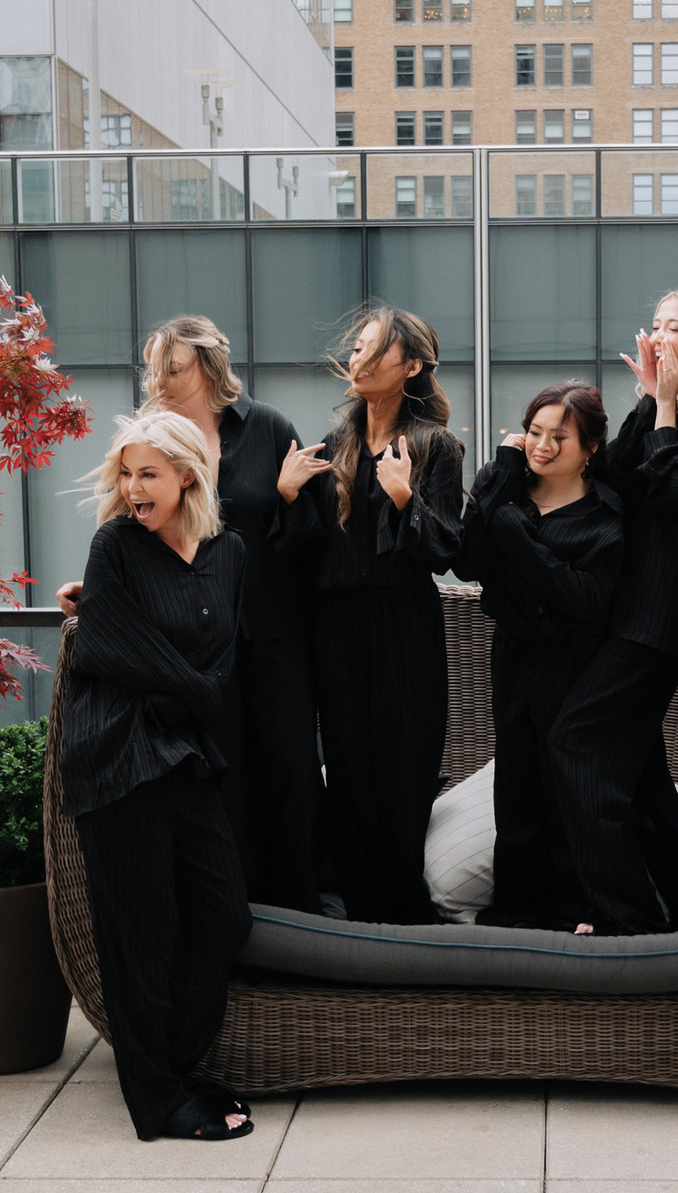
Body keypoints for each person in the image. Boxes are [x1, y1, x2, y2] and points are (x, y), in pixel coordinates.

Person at [55, 318, 324, 914]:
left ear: (207, 366)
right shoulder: (154, 439)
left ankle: (300, 907)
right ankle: (236, 905)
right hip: (197, 645)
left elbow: (313, 540)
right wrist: (98, 591)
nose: (160, 383)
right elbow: (134, 530)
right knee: (222, 768)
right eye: (153, 371)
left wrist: (286, 498)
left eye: (172, 369)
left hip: (274, 629)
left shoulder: (269, 427)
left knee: (291, 764)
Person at [56, 409, 255, 1142]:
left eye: (149, 473)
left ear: (187, 477)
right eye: (126, 473)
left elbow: (224, 652)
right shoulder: (115, 545)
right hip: (119, 756)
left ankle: (174, 1068)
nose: (134, 487)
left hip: (186, 755)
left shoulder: (229, 552)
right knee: (138, 934)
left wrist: (194, 691)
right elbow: (108, 646)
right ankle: (156, 1100)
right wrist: (197, 692)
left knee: (223, 914)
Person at [544, 287, 678, 932]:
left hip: (664, 610)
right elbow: (618, 480)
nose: (659, 337)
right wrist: (647, 400)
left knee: (576, 740)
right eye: (655, 325)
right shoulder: (662, 402)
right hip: (627, 604)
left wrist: (662, 406)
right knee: (638, 767)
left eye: (673, 328)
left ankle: (624, 913)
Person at [278, 306, 467, 924]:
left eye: (374, 349)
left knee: (405, 765)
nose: (357, 359)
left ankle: (407, 916)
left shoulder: (435, 445)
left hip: (403, 621)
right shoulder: (334, 444)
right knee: (349, 771)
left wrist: (405, 498)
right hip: (335, 625)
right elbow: (304, 552)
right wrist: (288, 495)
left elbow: (447, 551)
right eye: (357, 347)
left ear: (410, 366)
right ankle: (363, 918)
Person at [454, 381, 624, 931]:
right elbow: (467, 562)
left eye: (560, 437)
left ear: (591, 447)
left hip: (573, 665)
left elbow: (585, 600)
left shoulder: (604, 516)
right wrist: (503, 471)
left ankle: (579, 910)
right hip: (513, 656)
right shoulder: (509, 490)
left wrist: (517, 538)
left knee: (564, 785)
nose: (542, 446)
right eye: (533, 432)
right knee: (517, 786)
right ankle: (517, 911)